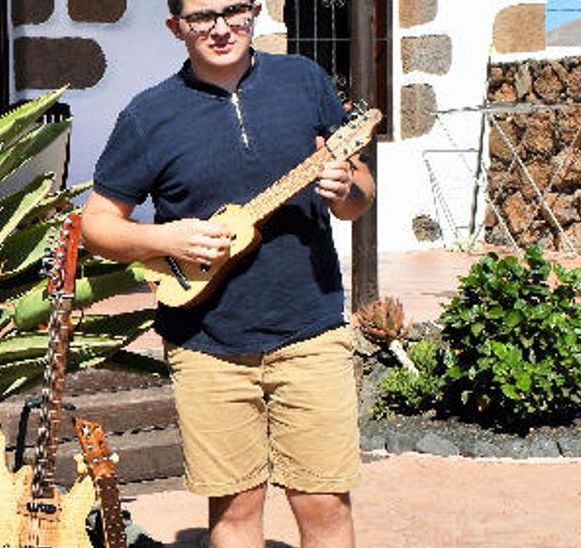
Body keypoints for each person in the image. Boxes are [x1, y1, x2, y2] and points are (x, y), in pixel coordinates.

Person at [80, 1, 375, 546]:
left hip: (310, 328)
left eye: (234, 10)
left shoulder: (304, 80)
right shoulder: (149, 115)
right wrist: (165, 238)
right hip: (205, 343)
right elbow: (96, 224)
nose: (220, 28)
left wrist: (347, 189)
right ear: (176, 28)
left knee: (324, 503)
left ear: (256, 11)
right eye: (201, 17)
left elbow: (358, 193)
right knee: (236, 509)